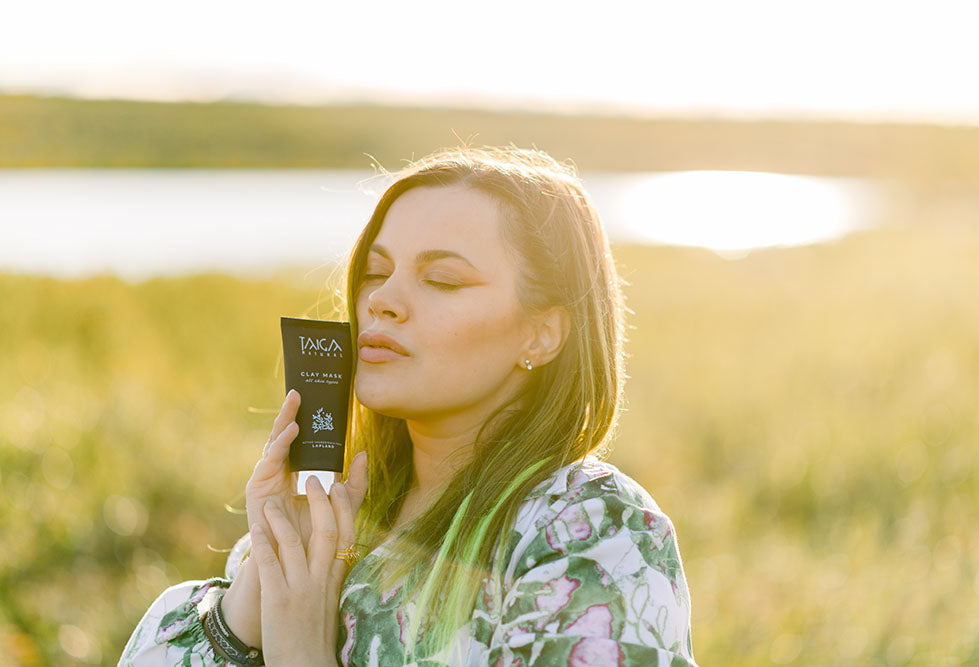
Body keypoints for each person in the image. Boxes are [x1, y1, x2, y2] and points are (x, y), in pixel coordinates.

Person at [119, 146, 697, 666]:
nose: (382, 301)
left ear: (541, 335)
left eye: (442, 279)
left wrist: (302, 656)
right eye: (375, 271)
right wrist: (264, 580)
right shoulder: (338, 513)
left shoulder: (592, 534)